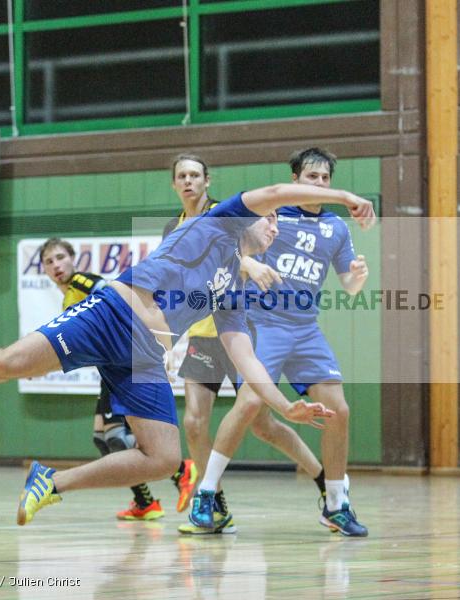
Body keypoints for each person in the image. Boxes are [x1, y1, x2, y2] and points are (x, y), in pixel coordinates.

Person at [0, 179, 375, 527]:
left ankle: (52, 481)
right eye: (271, 218)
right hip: (111, 314)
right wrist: (346, 197)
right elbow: (275, 190)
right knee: (8, 365)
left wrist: (284, 405)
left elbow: (245, 356)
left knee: (164, 459)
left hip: (145, 357)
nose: (275, 225)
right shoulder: (216, 225)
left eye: (278, 221)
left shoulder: (235, 287)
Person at [186, 147, 370, 537]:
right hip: (260, 324)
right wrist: (246, 261)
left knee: (339, 409)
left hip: (305, 328)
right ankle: (206, 492)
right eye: (311, 177)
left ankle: (336, 503)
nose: (319, 184)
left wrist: (357, 277)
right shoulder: (271, 216)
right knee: (252, 403)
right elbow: (219, 243)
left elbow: (350, 287)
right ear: (294, 179)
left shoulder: (336, 228)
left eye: (325, 179)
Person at [39, 237, 196, 521]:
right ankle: (145, 502)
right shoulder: (68, 297)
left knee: (116, 436)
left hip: (126, 361)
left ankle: (181, 471)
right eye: (49, 262)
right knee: (102, 439)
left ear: (73, 259)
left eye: (61, 257)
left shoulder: (83, 283)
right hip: (110, 367)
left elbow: (123, 302)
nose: (56, 265)